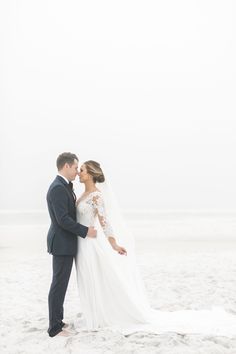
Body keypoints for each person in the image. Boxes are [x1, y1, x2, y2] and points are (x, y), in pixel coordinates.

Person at [75, 160, 236, 336]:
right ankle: (93, 312)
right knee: (85, 278)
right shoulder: (82, 195)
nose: (78, 173)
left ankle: (99, 316)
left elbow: (105, 223)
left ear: (90, 174)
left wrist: (114, 245)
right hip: (81, 242)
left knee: (93, 278)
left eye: (81, 170)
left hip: (91, 244)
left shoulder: (96, 196)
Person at [46, 152, 97, 337]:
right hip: (61, 243)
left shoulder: (64, 186)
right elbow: (63, 220)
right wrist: (86, 231)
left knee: (61, 284)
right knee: (58, 284)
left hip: (65, 243)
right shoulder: (58, 188)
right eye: (76, 168)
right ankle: (54, 328)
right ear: (66, 166)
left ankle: (58, 321)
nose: (77, 172)